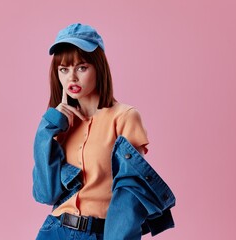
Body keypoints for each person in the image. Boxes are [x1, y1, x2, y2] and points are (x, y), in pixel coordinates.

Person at [32, 23, 175, 240]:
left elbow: (131, 193)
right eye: (64, 69)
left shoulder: (124, 117)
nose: (72, 78)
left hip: (98, 233)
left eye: (81, 67)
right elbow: (46, 194)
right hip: (55, 231)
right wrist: (47, 129)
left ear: (99, 67)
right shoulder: (60, 125)